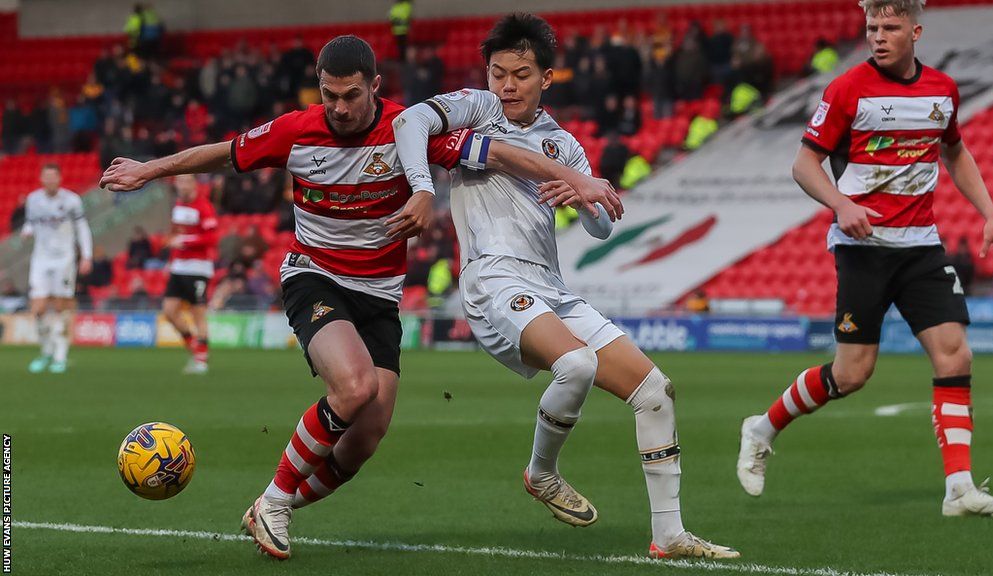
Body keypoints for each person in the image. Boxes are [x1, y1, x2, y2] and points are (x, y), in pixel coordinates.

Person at [100, 34, 620, 560]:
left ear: (374, 86)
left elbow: (499, 153)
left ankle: (270, 504)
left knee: (364, 437)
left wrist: (577, 177)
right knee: (352, 388)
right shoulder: (295, 131)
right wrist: (148, 169)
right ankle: (275, 500)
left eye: (351, 95)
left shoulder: (406, 132)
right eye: (330, 95)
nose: (340, 108)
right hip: (315, 276)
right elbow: (225, 154)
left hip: (380, 295)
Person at [394, 13, 736, 560]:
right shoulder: (478, 110)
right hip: (492, 278)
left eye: (521, 74)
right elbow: (408, 122)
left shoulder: (564, 145)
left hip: (549, 285)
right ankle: (541, 472)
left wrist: (583, 199)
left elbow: (600, 224)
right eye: (498, 72)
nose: (507, 84)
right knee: (575, 364)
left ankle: (670, 535)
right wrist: (420, 188)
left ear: (547, 79)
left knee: (655, 391)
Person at [736, 0, 993, 518]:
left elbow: (954, 151)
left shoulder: (942, 90)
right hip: (864, 250)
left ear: (916, 31)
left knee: (955, 354)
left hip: (921, 247)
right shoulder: (847, 88)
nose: (878, 36)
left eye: (890, 27)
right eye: (872, 27)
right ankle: (762, 427)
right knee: (851, 375)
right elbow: (804, 164)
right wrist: (841, 204)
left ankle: (959, 489)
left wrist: (991, 215)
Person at [21, 164, 93, 374]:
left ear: (60, 179)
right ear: (42, 179)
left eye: (54, 177)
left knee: (62, 308)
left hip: (64, 259)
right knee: (38, 308)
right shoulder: (33, 200)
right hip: (40, 259)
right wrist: (26, 231)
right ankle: (46, 351)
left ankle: (60, 355)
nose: (50, 180)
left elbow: (82, 228)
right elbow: (30, 223)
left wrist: (86, 256)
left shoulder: (71, 200)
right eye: (46, 177)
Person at [162, 174, 217, 374]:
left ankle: (201, 360)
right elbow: (175, 235)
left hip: (198, 268)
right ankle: (194, 346)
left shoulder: (204, 206)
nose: (183, 186)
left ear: (194, 184)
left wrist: (185, 241)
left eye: (186, 182)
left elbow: (211, 238)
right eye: (179, 182)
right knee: (169, 311)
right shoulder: (177, 206)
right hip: (179, 267)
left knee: (198, 313)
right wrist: (171, 260)